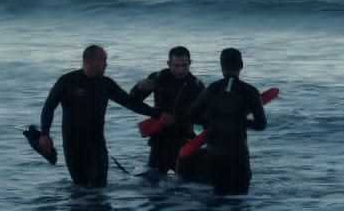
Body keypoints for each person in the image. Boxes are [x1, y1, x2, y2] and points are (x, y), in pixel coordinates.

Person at [38, 44, 159, 188]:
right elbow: (48, 107)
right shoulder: (67, 81)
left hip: (96, 144)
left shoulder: (105, 83)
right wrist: (45, 134)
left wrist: (158, 114)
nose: (106, 64)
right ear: (89, 61)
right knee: (80, 188)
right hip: (72, 143)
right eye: (103, 60)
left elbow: (130, 103)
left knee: (98, 188)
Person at [184, 47, 267, 195]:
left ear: (221, 67)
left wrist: (209, 121)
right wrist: (242, 121)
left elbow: (190, 114)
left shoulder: (211, 89)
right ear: (241, 65)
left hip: (215, 155)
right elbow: (261, 125)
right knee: (240, 204)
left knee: (218, 202)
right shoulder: (250, 91)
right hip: (239, 155)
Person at [130, 46, 205, 176]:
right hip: (160, 140)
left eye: (184, 65)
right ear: (169, 64)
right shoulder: (158, 78)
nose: (181, 70)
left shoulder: (196, 85)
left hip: (183, 139)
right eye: (176, 65)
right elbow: (133, 101)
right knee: (154, 187)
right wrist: (139, 88)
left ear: (190, 63)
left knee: (188, 187)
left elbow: (207, 116)